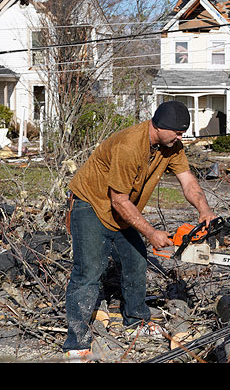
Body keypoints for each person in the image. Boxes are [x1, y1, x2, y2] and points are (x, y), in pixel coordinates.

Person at [62, 100, 216, 361]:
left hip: (121, 209)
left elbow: (188, 181)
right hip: (91, 205)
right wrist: (151, 233)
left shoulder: (172, 146)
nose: (181, 138)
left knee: (136, 262)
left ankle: (136, 320)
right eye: (177, 132)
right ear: (158, 126)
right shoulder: (129, 145)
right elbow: (118, 199)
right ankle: (75, 344)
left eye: (182, 133)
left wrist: (204, 210)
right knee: (87, 272)